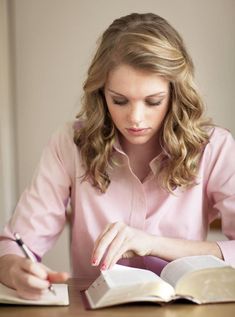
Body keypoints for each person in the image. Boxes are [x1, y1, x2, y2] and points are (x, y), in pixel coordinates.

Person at [0, 12, 235, 300]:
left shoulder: (214, 147)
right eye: (119, 100)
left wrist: (152, 244)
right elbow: (13, 244)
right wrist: (15, 270)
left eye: (153, 101)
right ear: (101, 94)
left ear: (175, 93)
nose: (135, 118)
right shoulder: (70, 143)